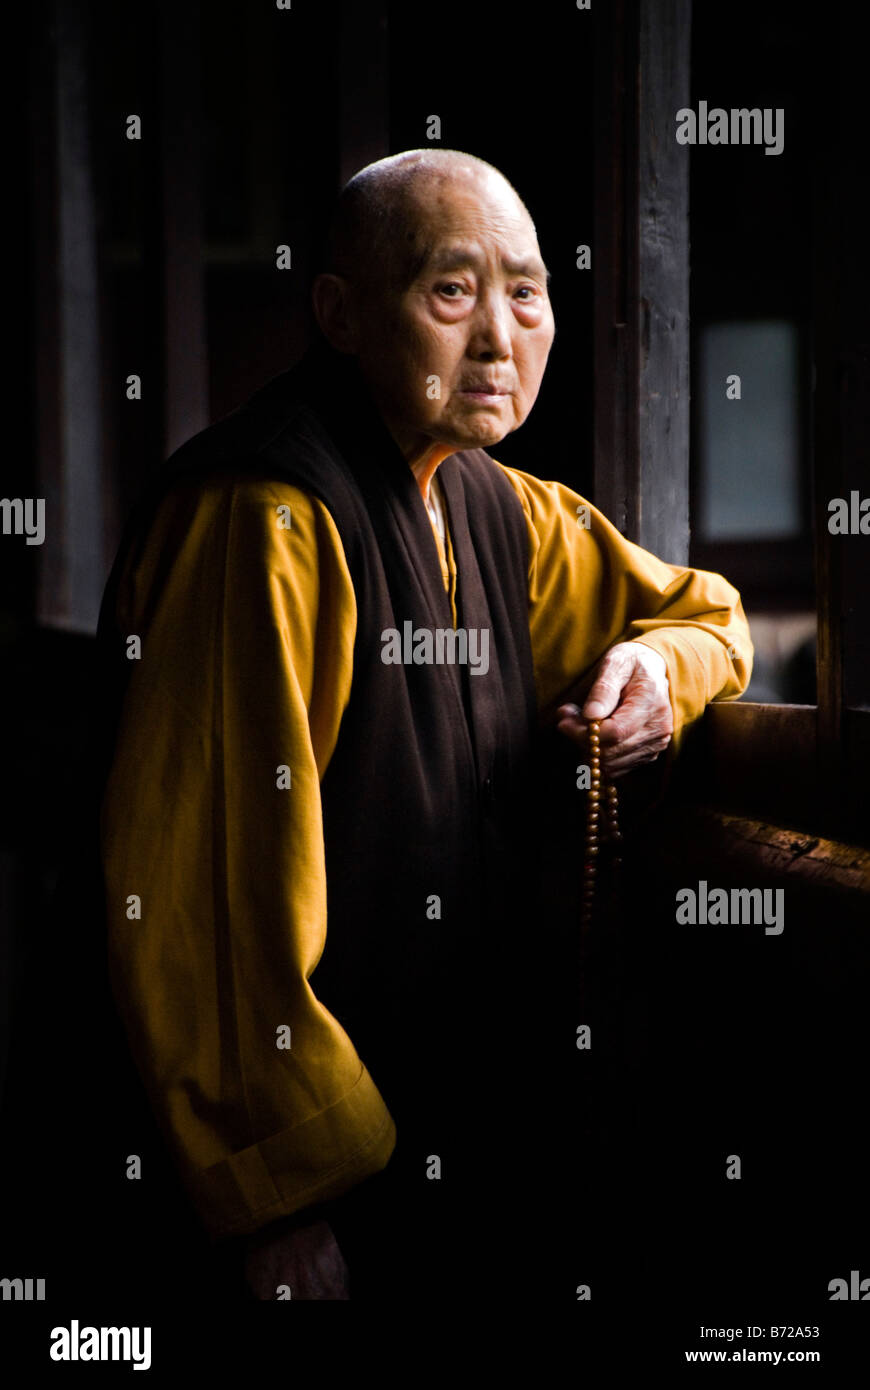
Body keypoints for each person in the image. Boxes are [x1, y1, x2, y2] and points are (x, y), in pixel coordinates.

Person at [96, 148, 752, 1302]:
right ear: (342, 314)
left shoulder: (497, 507)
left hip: (450, 1160)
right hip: (294, 1190)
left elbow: (705, 613)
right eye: (452, 291)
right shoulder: (266, 517)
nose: (500, 336)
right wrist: (276, 1204)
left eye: (528, 292)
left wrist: (657, 667)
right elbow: (208, 890)